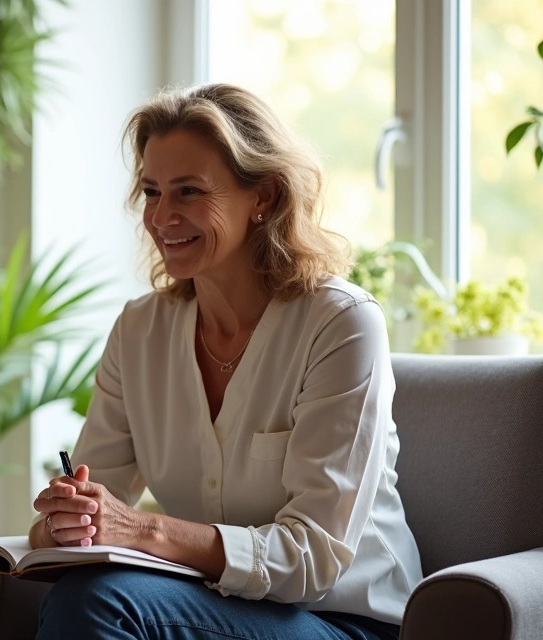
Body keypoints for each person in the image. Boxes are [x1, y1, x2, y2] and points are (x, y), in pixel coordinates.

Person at [29, 84, 423, 639]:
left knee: (97, 603)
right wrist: (67, 521)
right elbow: (97, 498)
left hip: (341, 620)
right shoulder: (140, 331)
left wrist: (141, 529)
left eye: (188, 191)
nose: (162, 216)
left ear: (263, 195)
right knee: (85, 595)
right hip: (206, 604)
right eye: (151, 191)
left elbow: (310, 560)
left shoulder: (340, 323)